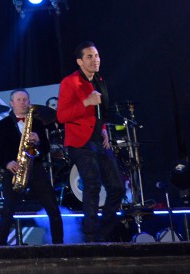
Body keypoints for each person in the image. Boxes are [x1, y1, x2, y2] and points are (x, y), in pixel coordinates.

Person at [57, 41, 123, 243]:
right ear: (79, 61)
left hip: (97, 139)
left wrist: (104, 130)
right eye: (90, 57)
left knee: (118, 187)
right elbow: (61, 116)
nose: (95, 60)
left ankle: (105, 231)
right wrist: (86, 102)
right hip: (79, 141)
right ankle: (91, 236)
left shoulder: (99, 80)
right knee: (92, 184)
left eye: (97, 56)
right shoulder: (70, 82)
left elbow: (101, 111)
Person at [0, 89, 64, 245]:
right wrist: (7, 163)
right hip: (14, 170)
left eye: (25, 100)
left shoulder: (36, 123)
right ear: (12, 103)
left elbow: (45, 149)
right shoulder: (3, 125)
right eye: (19, 100)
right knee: (7, 211)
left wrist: (38, 141)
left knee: (53, 208)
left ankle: (59, 245)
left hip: (35, 168)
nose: (23, 102)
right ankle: (0, 246)